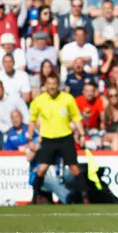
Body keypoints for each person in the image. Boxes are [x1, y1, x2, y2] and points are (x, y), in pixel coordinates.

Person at [27, 73, 88, 203]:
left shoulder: (67, 99)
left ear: (58, 84)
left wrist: (82, 134)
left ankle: (84, 196)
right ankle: (35, 196)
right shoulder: (39, 100)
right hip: (48, 139)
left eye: (54, 84)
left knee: (74, 168)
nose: (52, 87)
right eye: (49, 84)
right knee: (42, 169)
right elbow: (32, 120)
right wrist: (30, 138)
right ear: (45, 85)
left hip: (65, 138)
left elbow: (76, 117)